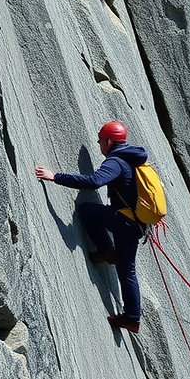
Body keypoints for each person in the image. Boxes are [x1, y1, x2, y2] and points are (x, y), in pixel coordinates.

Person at [35, 121, 148, 334]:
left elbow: (95, 181)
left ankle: (106, 249)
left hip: (125, 222)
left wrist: (56, 177)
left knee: (87, 210)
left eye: (100, 141)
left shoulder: (116, 161)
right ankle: (132, 318)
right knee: (127, 268)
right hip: (137, 224)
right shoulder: (133, 160)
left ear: (109, 141)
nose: (99, 145)